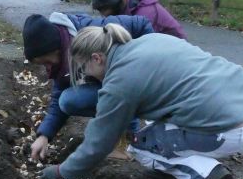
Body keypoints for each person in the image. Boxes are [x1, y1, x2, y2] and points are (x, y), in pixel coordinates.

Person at [40, 24, 243, 179]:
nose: (85, 74)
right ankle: (173, 166)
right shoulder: (149, 40)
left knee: (139, 145)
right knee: (155, 122)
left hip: (226, 128)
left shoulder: (120, 82)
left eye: (83, 67)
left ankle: (203, 174)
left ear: (97, 58)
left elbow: (98, 145)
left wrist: (61, 172)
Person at [23, 12, 154, 161]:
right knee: (67, 100)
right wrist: (44, 135)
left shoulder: (92, 34)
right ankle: (119, 136)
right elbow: (58, 97)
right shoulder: (62, 60)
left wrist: (145, 60)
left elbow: (141, 23)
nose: (47, 68)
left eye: (46, 62)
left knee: (120, 88)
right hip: (119, 85)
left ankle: (134, 142)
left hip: (138, 78)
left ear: (55, 50)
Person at [92, 0, 187, 39]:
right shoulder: (127, 5)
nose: (103, 15)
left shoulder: (145, 14)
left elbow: (139, 50)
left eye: (105, 9)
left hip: (174, 53)